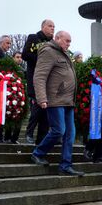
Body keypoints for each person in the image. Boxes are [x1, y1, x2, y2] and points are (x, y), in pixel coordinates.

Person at [30, 31, 84, 177]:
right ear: (57, 38)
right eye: (67, 41)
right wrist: (42, 98)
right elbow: (39, 76)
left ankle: (65, 165)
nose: (69, 44)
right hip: (55, 100)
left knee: (70, 135)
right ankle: (38, 153)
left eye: (70, 41)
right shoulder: (48, 51)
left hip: (68, 102)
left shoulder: (64, 54)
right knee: (58, 130)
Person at [23, 19, 55, 144]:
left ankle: (41, 138)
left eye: (54, 26)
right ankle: (29, 132)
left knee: (46, 112)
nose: (53, 28)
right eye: (50, 26)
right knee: (37, 108)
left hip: (49, 82)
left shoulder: (53, 43)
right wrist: (43, 60)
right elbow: (25, 55)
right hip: (36, 79)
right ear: (43, 27)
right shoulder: (33, 38)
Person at [4, 50, 24, 144]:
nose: (19, 59)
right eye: (17, 57)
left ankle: (14, 138)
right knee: (10, 116)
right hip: (11, 96)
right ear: (13, 58)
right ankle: (7, 137)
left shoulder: (23, 70)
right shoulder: (9, 69)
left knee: (19, 118)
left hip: (21, 97)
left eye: (20, 57)